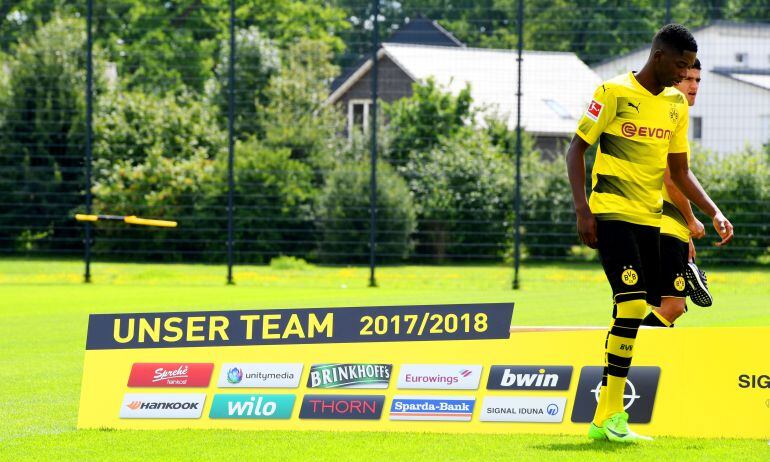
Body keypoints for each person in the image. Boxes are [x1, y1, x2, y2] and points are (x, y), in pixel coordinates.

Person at [565, 24, 734, 443]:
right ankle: (610, 415)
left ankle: (606, 415)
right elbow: (576, 149)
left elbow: (679, 170)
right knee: (634, 304)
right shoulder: (612, 93)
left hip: (649, 219)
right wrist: (583, 210)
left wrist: (712, 210)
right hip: (610, 214)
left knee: (639, 309)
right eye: (680, 65)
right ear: (658, 55)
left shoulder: (676, 104)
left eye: (690, 68)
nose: (684, 75)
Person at [642, 58, 712, 328]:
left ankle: (622, 357)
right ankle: (623, 357)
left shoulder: (667, 114)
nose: (694, 86)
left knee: (642, 306)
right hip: (662, 226)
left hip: (654, 224)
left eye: (698, 80)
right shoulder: (666, 116)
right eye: (688, 79)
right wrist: (691, 220)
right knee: (672, 306)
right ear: (674, 79)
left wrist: (685, 232)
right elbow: (672, 179)